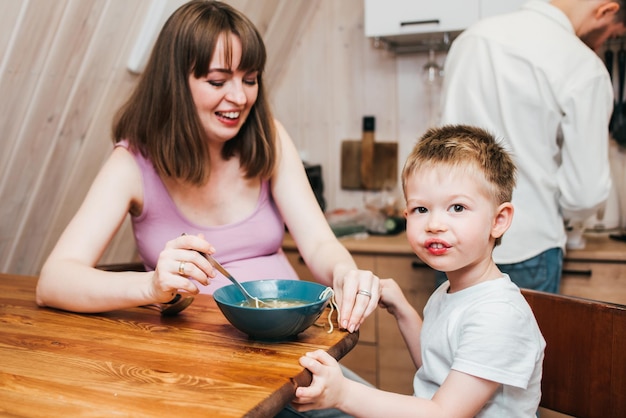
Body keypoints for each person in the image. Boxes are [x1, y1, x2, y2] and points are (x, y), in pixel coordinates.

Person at [36, 0, 379, 334]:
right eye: (218, 81)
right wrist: (151, 286)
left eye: (250, 79)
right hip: (196, 357)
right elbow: (54, 281)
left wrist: (345, 272)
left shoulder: (269, 136)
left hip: (289, 339)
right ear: (175, 84)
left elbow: (319, 244)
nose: (240, 98)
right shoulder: (131, 165)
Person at [291, 125, 546, 418]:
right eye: (421, 209)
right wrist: (402, 309)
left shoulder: (498, 314)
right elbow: (434, 369)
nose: (434, 224)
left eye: (458, 208)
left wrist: (344, 394)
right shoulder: (451, 292)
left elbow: (443, 413)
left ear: (499, 220)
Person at [437, 0, 626, 293]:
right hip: (528, 246)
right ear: (605, 11)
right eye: (613, 33)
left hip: (454, 242)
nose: (604, 41)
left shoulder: (470, 40)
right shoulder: (582, 66)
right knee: (519, 339)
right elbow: (585, 193)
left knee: (453, 337)